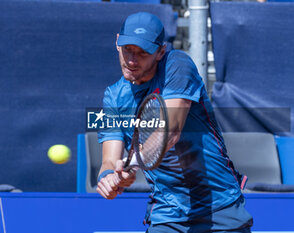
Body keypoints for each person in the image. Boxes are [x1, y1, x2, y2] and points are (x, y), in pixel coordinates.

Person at [96, 12, 253, 233]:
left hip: (219, 207)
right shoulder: (113, 96)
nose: (131, 60)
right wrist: (110, 179)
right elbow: (110, 161)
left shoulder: (177, 64)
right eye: (127, 49)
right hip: (167, 212)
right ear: (117, 42)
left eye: (142, 53)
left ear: (161, 51)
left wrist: (132, 163)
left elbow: (169, 133)